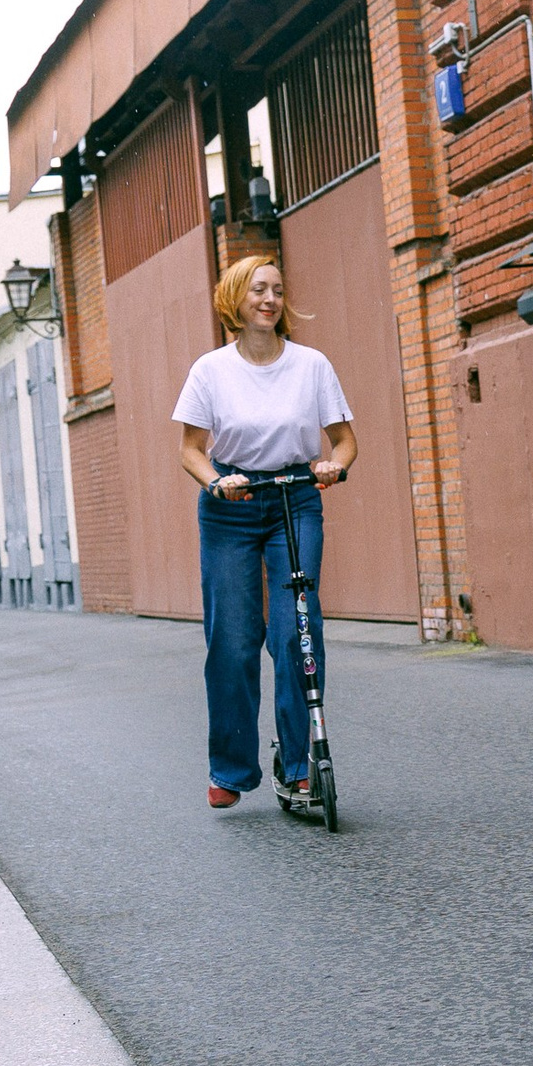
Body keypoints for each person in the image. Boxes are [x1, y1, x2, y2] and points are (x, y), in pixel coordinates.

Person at [174, 255, 358, 812]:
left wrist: (332, 466)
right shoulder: (210, 370)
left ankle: (300, 765)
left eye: (277, 289)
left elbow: (345, 441)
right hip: (230, 504)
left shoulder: (312, 365)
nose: (270, 299)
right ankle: (230, 768)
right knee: (232, 640)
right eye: (259, 289)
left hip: (293, 497)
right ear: (236, 299)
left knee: (297, 632)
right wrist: (215, 481)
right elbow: (189, 450)